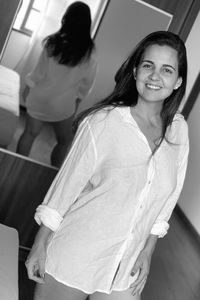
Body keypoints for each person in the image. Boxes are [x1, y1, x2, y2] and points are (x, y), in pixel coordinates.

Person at [25, 31, 189, 300]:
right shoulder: (102, 122)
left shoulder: (178, 131)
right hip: (76, 255)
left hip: (125, 269)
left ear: (178, 81)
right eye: (148, 65)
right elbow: (66, 186)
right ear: (136, 71)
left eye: (167, 69)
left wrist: (147, 251)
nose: (155, 76)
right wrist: (40, 244)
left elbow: (167, 200)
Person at [17, 2, 97, 167]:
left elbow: (38, 72)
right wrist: (78, 101)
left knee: (29, 133)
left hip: (40, 97)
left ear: (66, 18)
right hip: (62, 104)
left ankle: (15, 165)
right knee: (64, 141)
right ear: (87, 23)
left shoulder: (52, 42)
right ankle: (52, 173)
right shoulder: (89, 52)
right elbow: (87, 83)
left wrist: (27, 88)